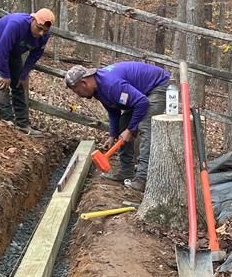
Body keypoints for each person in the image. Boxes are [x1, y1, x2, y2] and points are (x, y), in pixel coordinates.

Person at [65, 61, 171, 191]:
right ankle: (126, 171)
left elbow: (142, 102)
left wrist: (130, 130)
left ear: (84, 83)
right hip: (140, 93)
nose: (78, 95)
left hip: (157, 86)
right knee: (123, 123)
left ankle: (142, 179)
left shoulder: (111, 85)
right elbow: (113, 111)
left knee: (145, 126)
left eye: (77, 91)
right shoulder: (98, 89)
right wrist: (112, 135)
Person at [0, 8, 55, 134]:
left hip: (15, 51)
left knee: (19, 84)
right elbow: (3, 48)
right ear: (33, 20)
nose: (41, 33)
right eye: (39, 28)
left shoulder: (44, 36)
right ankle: (7, 121)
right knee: (3, 83)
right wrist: (5, 74)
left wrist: (24, 74)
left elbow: (35, 55)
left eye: (44, 31)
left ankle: (23, 123)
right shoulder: (17, 24)